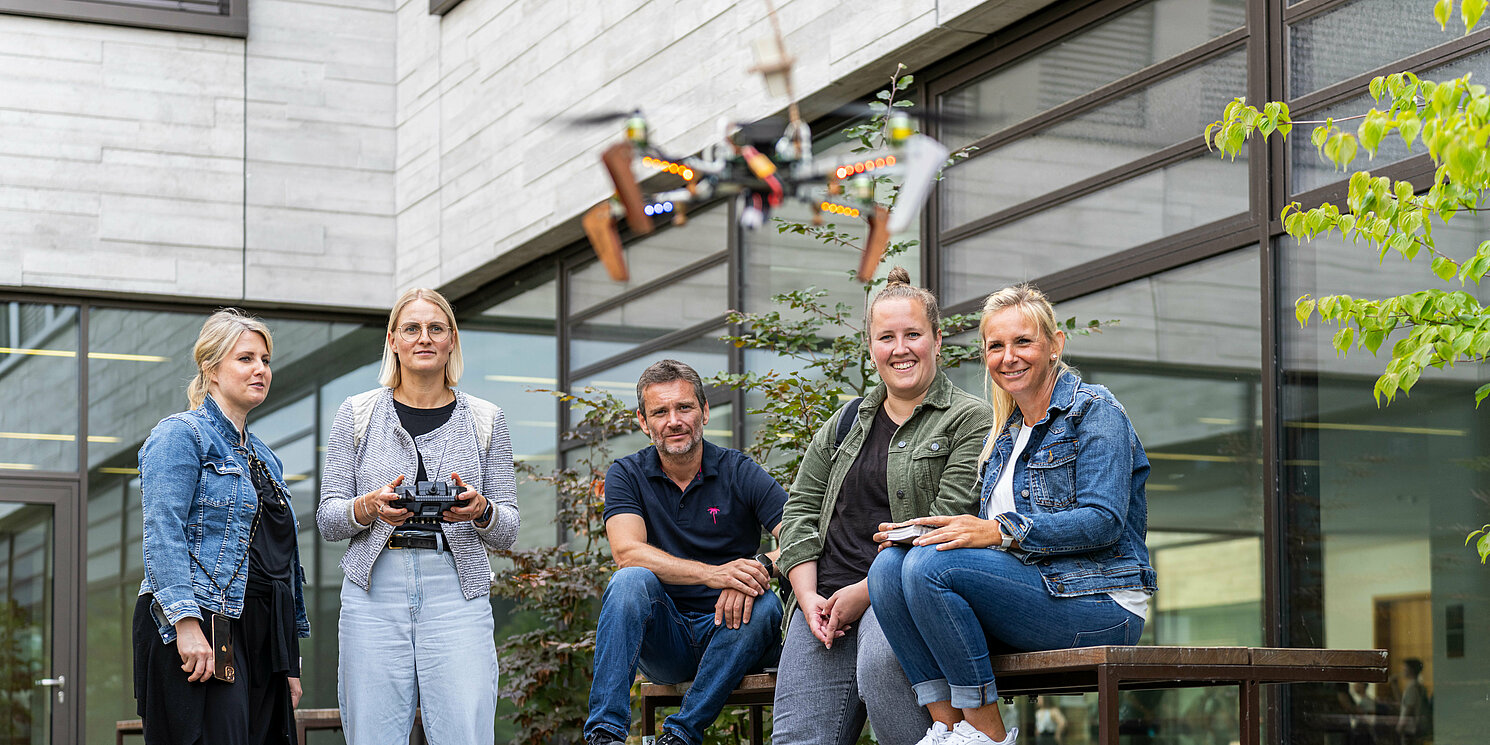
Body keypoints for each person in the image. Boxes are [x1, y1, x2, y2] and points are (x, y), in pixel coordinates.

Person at [868, 283, 1157, 745]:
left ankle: (986, 734)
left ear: (1055, 345)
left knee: (929, 565)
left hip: (1100, 604)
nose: (1009, 357)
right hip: (1033, 594)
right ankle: (948, 728)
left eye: (1023, 341)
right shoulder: (1005, 437)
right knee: (889, 566)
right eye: (996, 346)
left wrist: (1001, 532)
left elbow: (1104, 522)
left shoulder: (1095, 412)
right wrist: (924, 530)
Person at [773, 267, 994, 745]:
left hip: (894, 597)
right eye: (886, 337)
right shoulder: (843, 423)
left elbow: (938, 528)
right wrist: (808, 598)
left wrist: (861, 594)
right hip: (824, 603)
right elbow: (800, 515)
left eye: (913, 334)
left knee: (882, 672)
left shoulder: (969, 420)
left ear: (937, 339)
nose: (900, 349)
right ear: (871, 347)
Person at [316, 287, 519, 744]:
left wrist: (481, 510)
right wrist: (368, 507)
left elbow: (508, 530)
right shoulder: (358, 414)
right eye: (411, 328)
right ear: (393, 340)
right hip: (373, 592)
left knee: (465, 731)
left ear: (451, 340)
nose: (423, 338)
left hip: (457, 592)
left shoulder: (487, 419)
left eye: (435, 328)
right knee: (372, 734)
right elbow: (328, 519)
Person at [585, 359, 788, 745]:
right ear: (644, 422)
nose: (673, 421)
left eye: (684, 407)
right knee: (629, 581)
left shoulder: (739, 470)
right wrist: (714, 574)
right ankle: (604, 735)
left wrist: (756, 569)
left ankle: (681, 736)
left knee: (765, 604)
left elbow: (799, 537)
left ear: (705, 411)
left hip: (734, 632)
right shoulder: (626, 474)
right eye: (660, 411)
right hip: (668, 640)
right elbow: (628, 552)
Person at [133, 309, 309, 745]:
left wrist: (287, 660)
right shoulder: (181, 434)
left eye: (265, 360)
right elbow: (163, 531)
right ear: (211, 370)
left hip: (260, 634)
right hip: (201, 618)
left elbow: (280, 563)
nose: (261, 370)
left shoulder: (267, 458)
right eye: (245, 358)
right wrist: (185, 624)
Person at [1396, 658, 1429, 745]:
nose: (1403, 671)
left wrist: (1401, 726)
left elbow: (1409, 708)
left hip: (1410, 728)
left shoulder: (1412, 687)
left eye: (1405, 668)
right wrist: (1394, 686)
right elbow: (1403, 703)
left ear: (1411, 670)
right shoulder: (1419, 686)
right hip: (1417, 727)